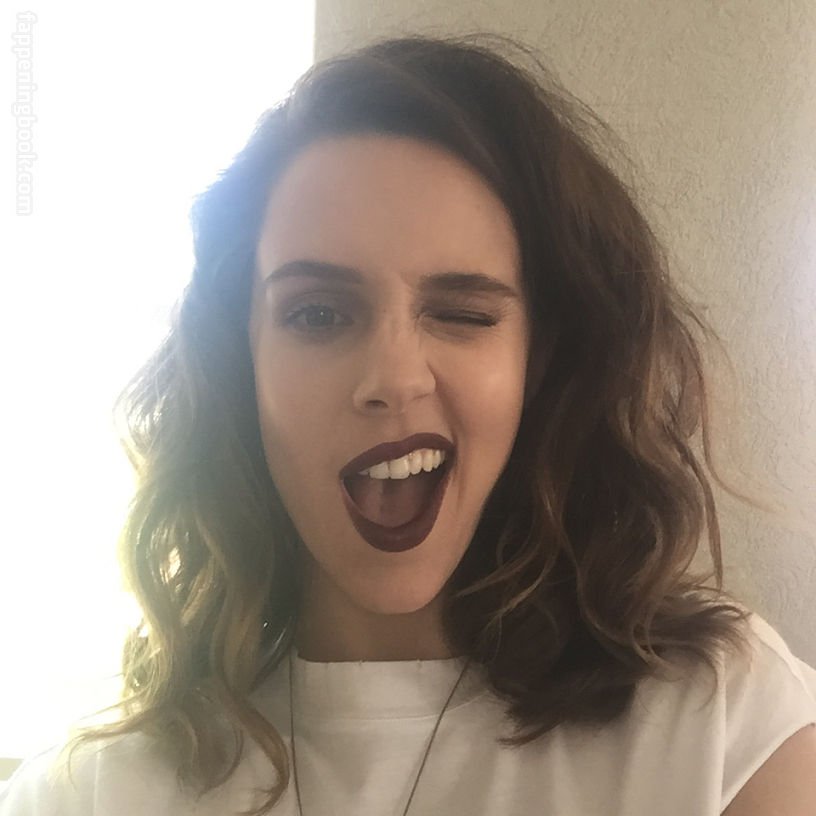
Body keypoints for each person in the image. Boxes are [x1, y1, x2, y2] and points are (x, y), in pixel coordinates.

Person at [2, 32, 814, 816]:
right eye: (318, 313)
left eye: (462, 313)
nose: (393, 379)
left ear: (538, 362)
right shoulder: (84, 795)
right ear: (238, 359)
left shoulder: (726, 731)